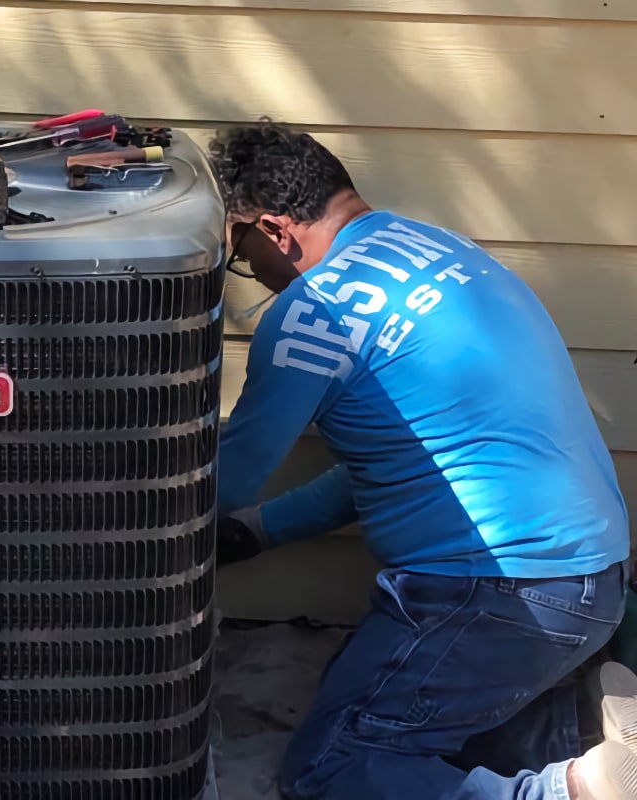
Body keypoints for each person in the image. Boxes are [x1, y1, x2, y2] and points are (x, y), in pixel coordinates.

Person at [209, 119, 636, 799]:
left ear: (275, 230)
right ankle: (568, 729)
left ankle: (576, 789)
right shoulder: (442, 246)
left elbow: (228, 476)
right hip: (592, 587)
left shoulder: (314, 309)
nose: (251, 273)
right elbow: (402, 468)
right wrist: (259, 532)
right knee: (371, 698)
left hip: (499, 595)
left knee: (329, 768)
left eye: (240, 253)